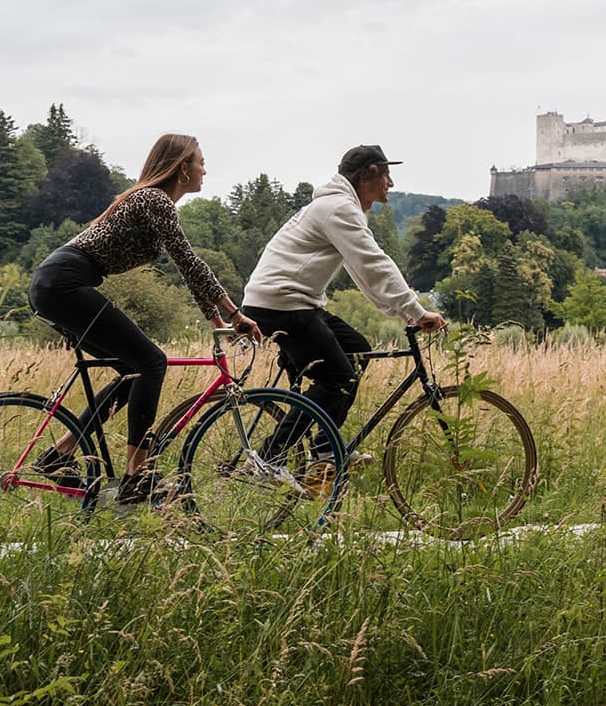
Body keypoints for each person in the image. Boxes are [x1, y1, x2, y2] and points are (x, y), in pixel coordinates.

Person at [28, 133, 261, 508]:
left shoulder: (153, 202)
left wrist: (217, 319)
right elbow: (190, 262)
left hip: (56, 284)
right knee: (152, 362)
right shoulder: (154, 199)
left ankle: (60, 454)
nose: (205, 168)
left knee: (133, 370)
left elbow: (188, 270)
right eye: (201, 161)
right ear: (183, 167)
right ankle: (137, 476)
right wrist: (233, 314)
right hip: (63, 283)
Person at [242, 145, 447, 455]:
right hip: (282, 306)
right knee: (337, 378)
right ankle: (271, 458)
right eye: (386, 175)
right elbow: (374, 263)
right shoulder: (339, 209)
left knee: (357, 350)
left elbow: (360, 271)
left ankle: (325, 450)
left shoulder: (338, 208)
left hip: (291, 303)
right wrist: (416, 311)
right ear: (368, 176)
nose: (390, 183)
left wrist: (402, 312)